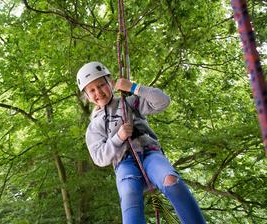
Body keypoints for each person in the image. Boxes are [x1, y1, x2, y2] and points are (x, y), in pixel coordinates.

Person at [77, 61, 206, 224]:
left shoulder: (129, 102)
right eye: (92, 90)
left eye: (101, 85)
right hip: (124, 163)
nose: (98, 92)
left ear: (110, 83)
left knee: (171, 181)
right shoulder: (94, 127)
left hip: (149, 153)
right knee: (129, 195)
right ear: (87, 97)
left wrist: (134, 87)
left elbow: (163, 101)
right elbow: (99, 158)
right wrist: (119, 137)